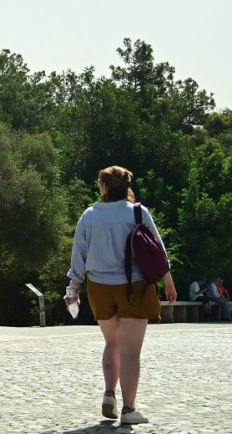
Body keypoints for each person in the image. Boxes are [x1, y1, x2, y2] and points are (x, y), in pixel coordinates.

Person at [65, 165, 178, 425]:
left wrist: (73, 288)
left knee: (111, 343)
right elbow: (158, 251)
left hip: (99, 289)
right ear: (126, 187)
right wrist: (168, 283)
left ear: (103, 187)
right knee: (130, 352)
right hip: (134, 288)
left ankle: (108, 394)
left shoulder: (89, 215)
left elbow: (78, 254)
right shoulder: (138, 212)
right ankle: (128, 410)